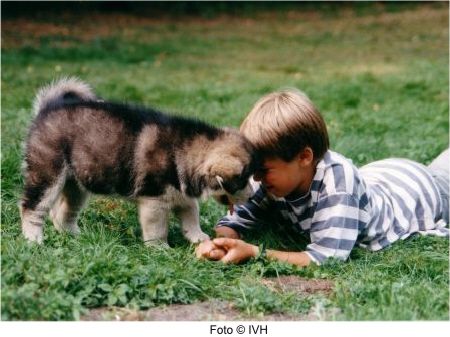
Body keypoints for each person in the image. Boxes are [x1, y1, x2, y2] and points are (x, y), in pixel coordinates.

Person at [196, 88, 449, 267]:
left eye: (263, 170)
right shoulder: (271, 177)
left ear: (304, 157)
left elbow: (325, 258)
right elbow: (239, 217)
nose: (257, 180)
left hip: (420, 192)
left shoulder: (338, 188)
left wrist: (253, 252)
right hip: (382, 177)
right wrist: (223, 241)